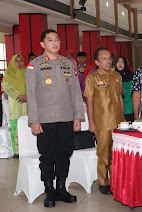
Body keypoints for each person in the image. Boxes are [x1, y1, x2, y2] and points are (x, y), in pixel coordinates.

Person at [25, 29, 84, 207]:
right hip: (45, 120)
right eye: (50, 40)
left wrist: (78, 116)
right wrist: (34, 120)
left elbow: (75, 93)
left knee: (64, 154)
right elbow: (31, 94)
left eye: (57, 39)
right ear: (43, 44)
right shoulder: (35, 65)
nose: (54, 43)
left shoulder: (68, 64)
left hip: (66, 117)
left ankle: (61, 188)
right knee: (48, 156)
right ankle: (49, 190)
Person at [84, 47, 124, 195]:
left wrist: (123, 121)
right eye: (104, 59)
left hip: (118, 122)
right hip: (102, 122)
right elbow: (90, 102)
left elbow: (120, 97)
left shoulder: (117, 76)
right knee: (103, 154)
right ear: (97, 62)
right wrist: (91, 123)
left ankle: (116, 181)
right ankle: (103, 182)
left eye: (109, 58)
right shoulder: (92, 78)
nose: (108, 61)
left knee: (117, 153)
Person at [3, 54, 28, 158]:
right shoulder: (8, 74)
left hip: (26, 105)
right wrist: (20, 96)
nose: (19, 63)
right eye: (16, 61)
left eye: (21, 61)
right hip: (15, 104)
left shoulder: (26, 73)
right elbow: (7, 89)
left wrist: (27, 96)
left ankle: (26, 148)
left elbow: (31, 85)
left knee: (26, 126)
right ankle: (16, 151)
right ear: (13, 62)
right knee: (15, 127)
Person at [116, 56, 134, 122]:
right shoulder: (112, 75)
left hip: (128, 104)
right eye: (118, 62)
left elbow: (131, 90)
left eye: (122, 62)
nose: (120, 64)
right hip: (116, 106)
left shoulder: (130, 75)